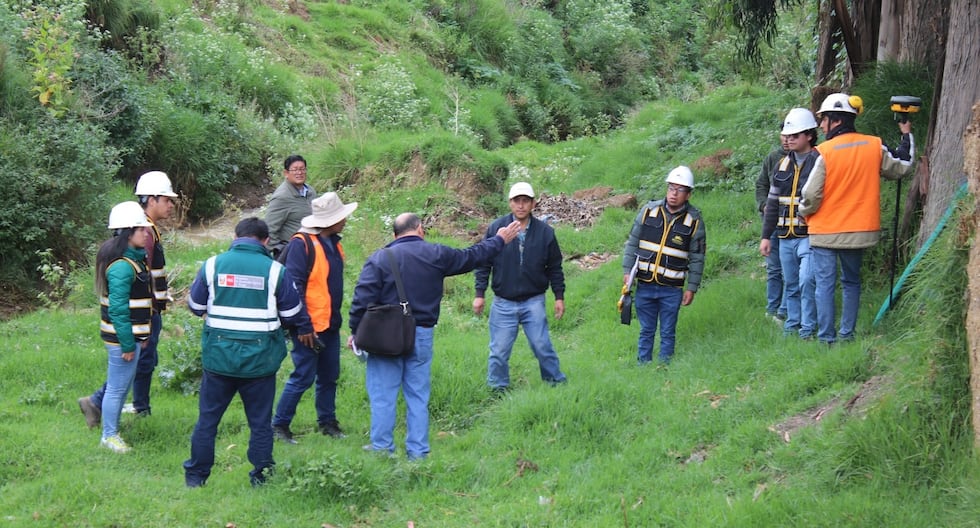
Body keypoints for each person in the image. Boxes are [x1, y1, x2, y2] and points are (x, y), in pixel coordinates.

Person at [349, 213, 520, 460]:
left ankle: (382, 449)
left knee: (383, 395)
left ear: (394, 235)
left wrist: (356, 331)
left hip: (384, 336)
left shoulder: (380, 258)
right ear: (420, 229)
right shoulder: (436, 254)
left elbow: (361, 299)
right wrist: (500, 239)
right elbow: (471, 257)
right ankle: (418, 452)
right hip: (421, 333)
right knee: (417, 395)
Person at [183, 218, 313, 488]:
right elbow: (291, 314)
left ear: (236, 236)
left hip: (218, 359)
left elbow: (195, 305)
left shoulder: (212, 265)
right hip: (260, 362)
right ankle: (261, 476)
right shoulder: (276, 270)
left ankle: (196, 478)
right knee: (260, 423)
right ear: (265, 241)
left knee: (207, 420)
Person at [800, 93, 914, 345]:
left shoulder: (823, 152)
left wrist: (803, 211)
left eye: (824, 120)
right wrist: (906, 134)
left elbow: (810, 195)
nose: (821, 126)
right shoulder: (873, 145)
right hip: (859, 231)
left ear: (836, 121)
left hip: (825, 232)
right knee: (851, 282)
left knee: (825, 286)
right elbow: (902, 166)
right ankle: (847, 335)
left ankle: (826, 340)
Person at [78, 171, 177, 427]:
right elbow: (135, 284)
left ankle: (137, 405)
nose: (171, 205)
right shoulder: (142, 233)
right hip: (142, 315)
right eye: (167, 199)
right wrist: (151, 310)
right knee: (136, 362)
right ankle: (102, 405)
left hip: (147, 311)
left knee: (145, 360)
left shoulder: (145, 230)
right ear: (152, 199)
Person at [272, 193, 357, 443]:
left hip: (329, 323)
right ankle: (279, 425)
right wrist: (303, 325)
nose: (345, 220)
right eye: (341, 217)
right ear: (329, 220)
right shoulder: (302, 243)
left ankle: (327, 422)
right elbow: (294, 285)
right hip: (308, 325)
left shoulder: (333, 243)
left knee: (329, 376)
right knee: (303, 376)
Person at [473, 182, 567, 392]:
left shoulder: (545, 233)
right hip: (503, 302)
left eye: (526, 201)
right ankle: (497, 389)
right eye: (517, 201)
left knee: (542, 346)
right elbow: (483, 262)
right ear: (510, 203)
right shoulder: (496, 229)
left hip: (533, 301)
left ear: (533, 203)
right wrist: (479, 294)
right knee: (498, 351)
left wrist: (559, 297)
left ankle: (556, 384)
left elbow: (554, 267)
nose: (521, 206)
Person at [622, 166, 707, 365]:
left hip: (672, 288)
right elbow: (632, 242)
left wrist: (692, 287)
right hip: (645, 284)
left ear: (688, 194)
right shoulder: (648, 211)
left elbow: (697, 257)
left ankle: (664, 367)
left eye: (679, 190)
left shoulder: (694, 220)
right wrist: (627, 271)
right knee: (646, 329)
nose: (673, 194)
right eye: (671, 188)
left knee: (668, 331)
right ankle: (643, 366)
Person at [95, 201, 154, 453]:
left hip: (130, 337)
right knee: (117, 388)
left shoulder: (134, 261)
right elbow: (118, 310)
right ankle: (109, 435)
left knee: (121, 386)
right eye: (141, 229)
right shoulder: (122, 267)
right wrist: (128, 343)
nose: (146, 233)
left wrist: (142, 336)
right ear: (128, 233)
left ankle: (113, 429)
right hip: (121, 340)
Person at [759, 108, 820, 339]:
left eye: (795, 135)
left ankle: (808, 328)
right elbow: (773, 204)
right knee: (791, 283)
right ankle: (792, 325)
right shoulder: (781, 165)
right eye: (788, 134)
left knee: (807, 281)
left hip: (810, 234)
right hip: (785, 236)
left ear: (809, 136)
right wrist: (766, 236)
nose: (790, 138)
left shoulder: (819, 162)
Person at [755, 135, 790, 324]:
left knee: (789, 269)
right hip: (772, 222)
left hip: (793, 222)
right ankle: (772, 308)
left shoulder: (809, 158)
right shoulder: (772, 158)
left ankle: (784, 311)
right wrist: (763, 205)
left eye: (791, 136)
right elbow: (761, 184)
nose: (786, 140)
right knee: (774, 268)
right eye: (784, 136)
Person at [266, 154, 317, 257]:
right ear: (286, 173)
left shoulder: (310, 191)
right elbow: (270, 229)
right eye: (295, 170)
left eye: (302, 169)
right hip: (293, 252)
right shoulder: (281, 197)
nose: (299, 173)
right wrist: (281, 252)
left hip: (312, 248)